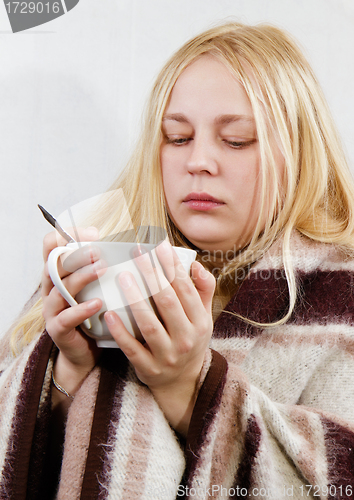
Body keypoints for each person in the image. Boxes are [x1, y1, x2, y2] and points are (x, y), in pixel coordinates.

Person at [1, 20, 354, 499]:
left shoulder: (343, 295)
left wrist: (189, 385)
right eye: (177, 137)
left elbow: (340, 480)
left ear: (299, 152)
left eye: (236, 140)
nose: (199, 161)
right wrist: (65, 370)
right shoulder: (102, 263)